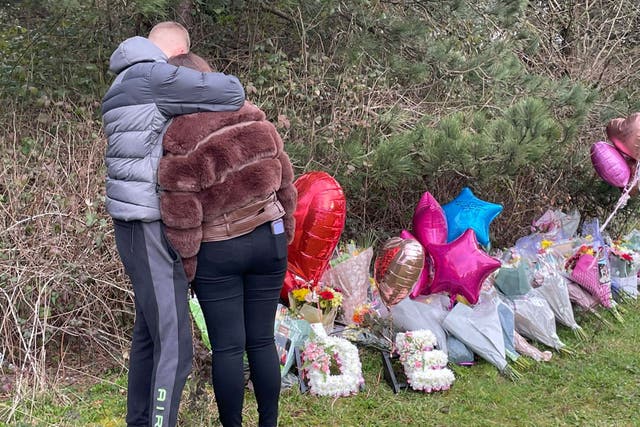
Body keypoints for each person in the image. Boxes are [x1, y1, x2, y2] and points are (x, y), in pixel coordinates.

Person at [101, 22, 245, 427]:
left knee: (150, 335)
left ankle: (141, 421)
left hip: (130, 224)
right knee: (177, 347)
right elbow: (231, 91)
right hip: (148, 223)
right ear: (176, 49)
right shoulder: (152, 74)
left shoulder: (124, 80)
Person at [158, 52, 297, 427]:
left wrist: (187, 270)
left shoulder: (179, 135)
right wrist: (286, 235)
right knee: (263, 341)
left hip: (219, 249)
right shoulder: (253, 114)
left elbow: (181, 215)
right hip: (270, 237)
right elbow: (285, 180)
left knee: (229, 348)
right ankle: (269, 423)